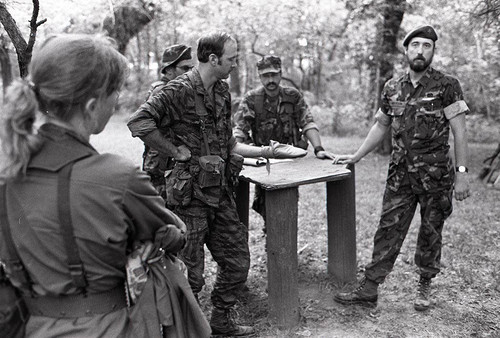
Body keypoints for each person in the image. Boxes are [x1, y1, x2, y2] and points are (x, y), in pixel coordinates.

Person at [0, 34, 188, 337]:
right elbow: (175, 235)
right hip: (106, 328)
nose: (116, 101)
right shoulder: (117, 177)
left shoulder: (8, 171)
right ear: (90, 106)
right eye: (114, 91)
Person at [128, 31, 306, 337]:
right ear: (213, 59)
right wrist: (174, 151)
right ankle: (189, 329)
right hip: (188, 200)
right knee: (190, 275)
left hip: (219, 193)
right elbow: (138, 122)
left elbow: (228, 144)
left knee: (238, 262)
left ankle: (222, 319)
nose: (235, 65)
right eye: (231, 59)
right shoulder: (177, 90)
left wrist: (268, 151)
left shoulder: (222, 92)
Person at [332, 25, 470, 311]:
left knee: (431, 231)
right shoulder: (392, 86)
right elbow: (381, 124)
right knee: (388, 228)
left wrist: (462, 175)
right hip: (400, 176)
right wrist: (356, 156)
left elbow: (460, 133)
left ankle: (424, 286)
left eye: (427, 46)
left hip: (435, 177)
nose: (420, 50)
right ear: (406, 50)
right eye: (416, 45)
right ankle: (369, 288)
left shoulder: (447, 85)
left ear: (433, 51)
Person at [233, 54, 336, 224]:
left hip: (290, 161)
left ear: (281, 74)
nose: (270, 80)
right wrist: (239, 149)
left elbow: (307, 122)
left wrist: (318, 148)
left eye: (274, 74)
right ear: (260, 77)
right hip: (264, 161)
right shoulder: (252, 99)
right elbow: (240, 129)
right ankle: (270, 231)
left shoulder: (292, 96)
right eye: (266, 76)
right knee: (265, 201)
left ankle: (283, 232)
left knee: (287, 200)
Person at [135, 44, 194, 200]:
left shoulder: (177, 89)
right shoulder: (162, 91)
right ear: (169, 70)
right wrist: (174, 151)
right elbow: (141, 125)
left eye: (191, 68)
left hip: (168, 164)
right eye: (184, 68)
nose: (190, 73)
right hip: (160, 166)